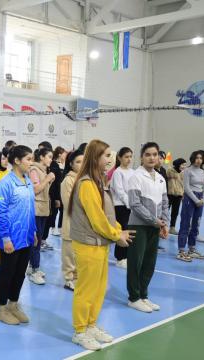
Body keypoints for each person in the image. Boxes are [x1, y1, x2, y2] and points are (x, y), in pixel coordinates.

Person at [68, 139, 134, 350]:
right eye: (106, 155)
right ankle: (80, 331)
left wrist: (117, 230)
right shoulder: (86, 184)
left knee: (98, 289)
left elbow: (107, 214)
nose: (110, 159)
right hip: (88, 244)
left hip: (100, 244)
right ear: (95, 157)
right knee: (86, 290)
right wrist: (117, 234)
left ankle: (91, 325)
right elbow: (97, 219)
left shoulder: (99, 181)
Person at [0, 145, 37, 325]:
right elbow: (0, 212)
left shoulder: (27, 181)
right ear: (17, 161)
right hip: (11, 238)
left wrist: (33, 232)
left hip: (26, 237)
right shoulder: (5, 183)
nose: (31, 163)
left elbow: (31, 209)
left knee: (20, 274)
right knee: (7, 273)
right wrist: (5, 238)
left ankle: (13, 304)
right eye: (28, 159)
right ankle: (1, 309)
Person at [127, 142, 169, 313]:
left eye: (155, 154)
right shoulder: (136, 176)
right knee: (135, 263)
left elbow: (165, 203)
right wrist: (154, 220)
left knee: (149, 263)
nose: (152, 158)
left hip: (155, 226)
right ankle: (134, 297)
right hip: (139, 226)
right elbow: (134, 204)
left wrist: (164, 223)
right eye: (148, 154)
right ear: (142, 157)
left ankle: (144, 295)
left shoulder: (160, 177)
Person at [27, 147, 55, 285]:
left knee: (38, 241)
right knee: (35, 241)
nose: (51, 159)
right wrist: (48, 179)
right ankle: (34, 270)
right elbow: (35, 190)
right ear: (42, 157)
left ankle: (33, 267)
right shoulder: (34, 170)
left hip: (43, 209)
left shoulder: (43, 171)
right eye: (49, 156)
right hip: (36, 210)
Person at [176, 151, 204, 262]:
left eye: (201, 158)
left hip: (200, 199)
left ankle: (191, 249)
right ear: (193, 158)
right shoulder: (187, 171)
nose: (199, 160)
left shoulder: (202, 172)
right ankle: (181, 251)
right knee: (185, 224)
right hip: (190, 198)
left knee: (196, 224)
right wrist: (196, 200)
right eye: (197, 158)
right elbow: (186, 188)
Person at [60, 150, 84, 291]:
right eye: (78, 162)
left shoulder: (86, 179)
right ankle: (69, 279)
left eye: (83, 161)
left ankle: (78, 277)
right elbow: (69, 204)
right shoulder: (67, 181)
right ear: (71, 164)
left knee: (79, 255)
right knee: (69, 254)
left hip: (84, 225)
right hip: (71, 222)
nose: (81, 165)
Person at [110, 147, 135, 269]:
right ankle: (120, 258)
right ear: (119, 158)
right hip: (120, 206)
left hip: (130, 206)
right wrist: (129, 204)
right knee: (122, 230)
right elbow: (119, 191)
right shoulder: (117, 172)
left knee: (130, 231)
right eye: (126, 156)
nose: (129, 159)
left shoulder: (132, 172)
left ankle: (127, 256)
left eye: (130, 156)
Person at [47, 146, 65, 237]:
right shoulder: (54, 164)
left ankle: (60, 227)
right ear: (59, 154)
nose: (65, 155)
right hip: (55, 191)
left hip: (62, 191)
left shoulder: (63, 165)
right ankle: (53, 228)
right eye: (64, 154)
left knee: (62, 210)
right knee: (54, 211)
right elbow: (56, 181)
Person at [167, 158, 186, 235]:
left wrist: (183, 193)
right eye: (182, 164)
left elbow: (183, 185)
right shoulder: (169, 171)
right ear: (178, 164)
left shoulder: (183, 173)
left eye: (184, 165)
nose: (184, 166)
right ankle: (161, 227)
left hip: (178, 195)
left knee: (175, 212)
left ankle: (172, 228)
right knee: (165, 211)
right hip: (169, 195)